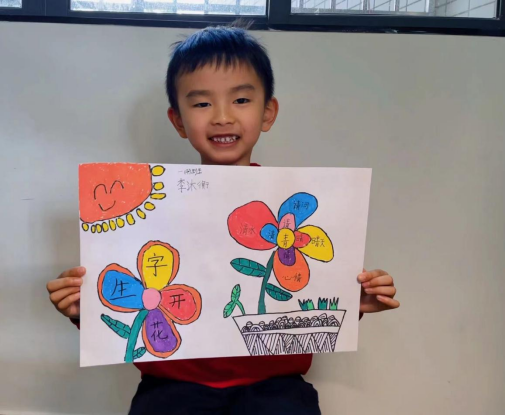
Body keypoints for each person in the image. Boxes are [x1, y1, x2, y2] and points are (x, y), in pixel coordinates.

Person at [47, 23, 400, 415]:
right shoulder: (153, 210)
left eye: (241, 100)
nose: (222, 117)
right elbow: (129, 293)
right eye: (201, 104)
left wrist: (352, 300)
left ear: (268, 112)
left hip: (276, 388)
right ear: (178, 120)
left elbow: (307, 291)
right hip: (173, 388)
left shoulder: (290, 213)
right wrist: (85, 308)